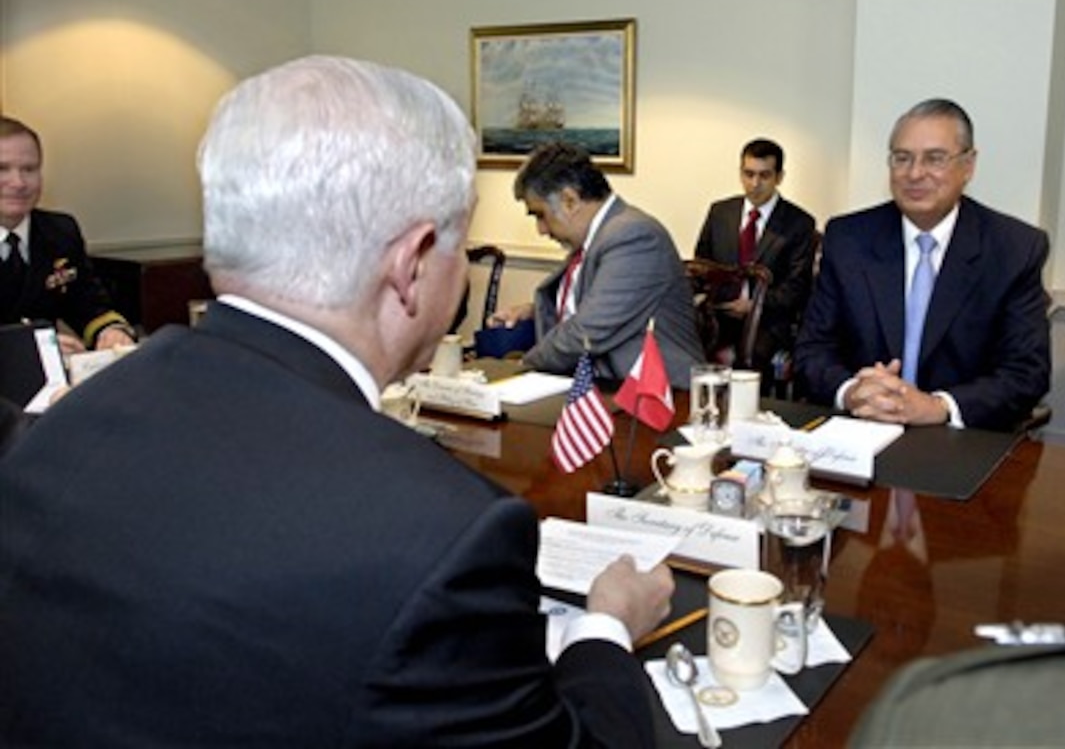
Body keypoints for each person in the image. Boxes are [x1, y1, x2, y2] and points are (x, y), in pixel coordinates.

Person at [0, 56, 674, 746]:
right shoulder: (446, 538)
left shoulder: (52, 431)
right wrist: (606, 628)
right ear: (413, 264)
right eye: (462, 243)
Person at [794, 98, 1050, 432]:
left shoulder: (1014, 248)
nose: (914, 173)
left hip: (963, 443)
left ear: (968, 166)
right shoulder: (847, 238)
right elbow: (812, 350)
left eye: (935, 159)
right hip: (861, 433)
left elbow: (1026, 373)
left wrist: (938, 406)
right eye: (902, 158)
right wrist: (852, 392)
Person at [489, 141, 703, 386]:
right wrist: (532, 311)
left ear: (570, 200)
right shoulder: (598, 236)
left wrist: (522, 368)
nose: (541, 229)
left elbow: (588, 330)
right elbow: (589, 303)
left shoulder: (634, 235)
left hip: (654, 399)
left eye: (541, 215)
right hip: (603, 389)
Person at [0, 116, 135, 353]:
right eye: (2, 169)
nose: (19, 182)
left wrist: (111, 331)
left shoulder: (60, 232)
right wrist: (28, 349)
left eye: (29, 169)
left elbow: (89, 303)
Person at [694, 138, 818, 387]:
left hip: (768, 320)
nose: (754, 183)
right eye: (748, 174)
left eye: (764, 175)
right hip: (717, 314)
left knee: (750, 360)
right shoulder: (720, 212)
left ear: (779, 177)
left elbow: (797, 288)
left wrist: (754, 305)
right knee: (678, 339)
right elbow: (701, 264)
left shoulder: (799, 223)